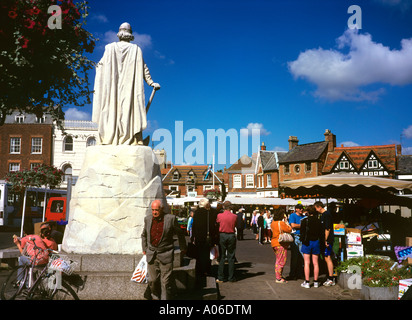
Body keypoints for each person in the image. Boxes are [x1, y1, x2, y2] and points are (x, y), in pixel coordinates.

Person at [93, 22, 160, 145]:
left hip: (115, 88)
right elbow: (144, 68)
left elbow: (100, 66)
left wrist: (151, 82)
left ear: (119, 33)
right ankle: (132, 138)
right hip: (127, 88)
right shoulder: (135, 49)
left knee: (112, 110)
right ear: (130, 34)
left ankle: (116, 137)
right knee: (129, 112)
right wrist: (151, 82)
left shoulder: (110, 48)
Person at [141, 199, 187, 300]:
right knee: (152, 280)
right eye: (152, 210)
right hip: (152, 255)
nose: (154, 212)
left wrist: (183, 248)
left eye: (156, 210)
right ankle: (155, 296)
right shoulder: (148, 219)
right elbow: (144, 235)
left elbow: (180, 233)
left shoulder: (171, 219)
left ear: (161, 209)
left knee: (165, 282)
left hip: (166, 254)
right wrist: (144, 248)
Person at [191, 198, 218, 284]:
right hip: (208, 237)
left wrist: (193, 237)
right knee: (207, 254)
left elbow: (193, 226)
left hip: (199, 238)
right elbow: (213, 227)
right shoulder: (211, 213)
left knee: (199, 254)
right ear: (207, 205)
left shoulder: (196, 213)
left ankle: (199, 271)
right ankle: (207, 270)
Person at [300, 205, 323, 289]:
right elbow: (321, 233)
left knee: (307, 262)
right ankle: (316, 282)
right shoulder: (318, 221)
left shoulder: (304, 221)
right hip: (316, 242)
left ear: (308, 212)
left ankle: (307, 282)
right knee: (316, 263)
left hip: (307, 242)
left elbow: (302, 232)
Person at [216, 201, 238, 283]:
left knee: (221, 256)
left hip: (222, 235)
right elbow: (235, 225)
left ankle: (220, 277)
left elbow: (217, 223)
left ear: (223, 207)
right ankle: (231, 277)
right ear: (230, 207)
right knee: (231, 257)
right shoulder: (234, 216)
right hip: (231, 235)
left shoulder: (219, 215)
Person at [315, 201, 335, 286]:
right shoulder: (324, 215)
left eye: (316, 208)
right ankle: (329, 276)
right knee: (326, 257)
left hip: (327, 240)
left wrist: (326, 240)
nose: (316, 210)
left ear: (319, 207)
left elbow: (328, 228)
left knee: (328, 258)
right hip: (325, 239)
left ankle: (331, 278)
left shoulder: (326, 215)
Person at [270, 207, 293, 283]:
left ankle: (279, 275)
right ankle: (278, 278)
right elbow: (289, 229)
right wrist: (286, 221)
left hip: (274, 242)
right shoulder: (281, 223)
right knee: (281, 261)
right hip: (281, 243)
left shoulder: (273, 223)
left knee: (278, 260)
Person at [287, 203, 305, 281]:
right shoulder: (293, 215)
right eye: (300, 208)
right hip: (295, 237)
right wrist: (302, 225)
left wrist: (299, 225)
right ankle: (293, 274)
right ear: (296, 209)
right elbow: (293, 225)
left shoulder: (304, 216)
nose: (302, 210)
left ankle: (300, 273)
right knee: (294, 256)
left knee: (302, 257)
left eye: (302, 208)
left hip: (302, 237)